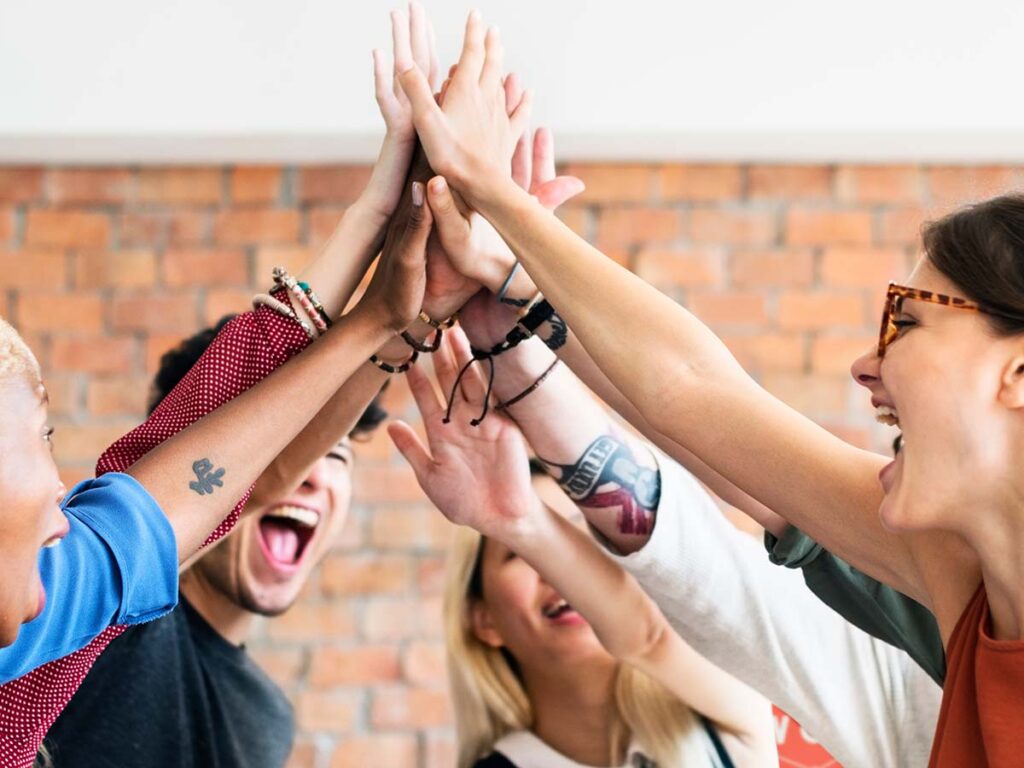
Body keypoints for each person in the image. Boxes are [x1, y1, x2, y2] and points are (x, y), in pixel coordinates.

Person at [395, 14, 1024, 764]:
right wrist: (510, 259)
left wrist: (497, 199)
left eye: (908, 324)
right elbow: (694, 390)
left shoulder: (949, 576)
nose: (866, 364)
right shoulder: (960, 580)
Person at [0, 6, 446, 763]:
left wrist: (377, 243)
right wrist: (380, 325)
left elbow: (168, 485)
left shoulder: (41, 619)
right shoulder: (74, 642)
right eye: (34, 445)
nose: (60, 504)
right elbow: (238, 469)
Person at [394, 330, 776, 768]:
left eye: (583, 538)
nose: (557, 570)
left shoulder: (724, 721)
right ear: (482, 620)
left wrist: (525, 523)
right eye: (520, 555)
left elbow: (646, 637)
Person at [38, 320, 384, 768]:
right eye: (293, 450)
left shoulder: (268, 718)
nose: (309, 474)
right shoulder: (100, 616)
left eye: (335, 454)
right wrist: (384, 329)